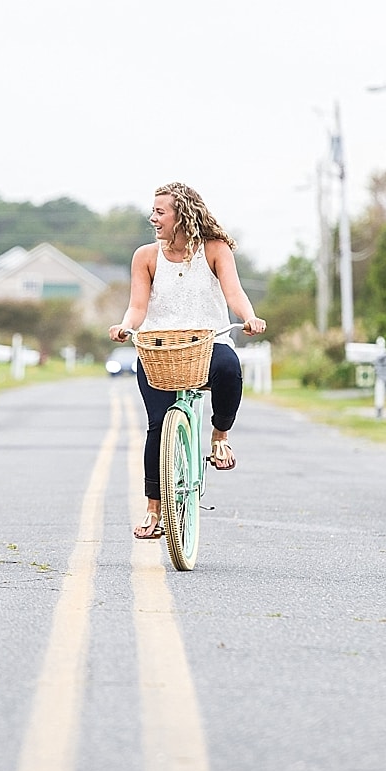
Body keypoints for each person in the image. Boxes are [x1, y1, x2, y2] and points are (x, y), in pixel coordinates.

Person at [109, 182, 267, 540]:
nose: (153, 218)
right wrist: (125, 326)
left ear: (182, 214)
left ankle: (220, 436)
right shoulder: (145, 257)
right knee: (156, 428)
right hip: (159, 349)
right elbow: (137, 306)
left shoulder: (215, 249)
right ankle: (153, 509)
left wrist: (249, 317)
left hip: (206, 345)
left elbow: (234, 292)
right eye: (153, 211)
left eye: (160, 211)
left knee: (229, 367)